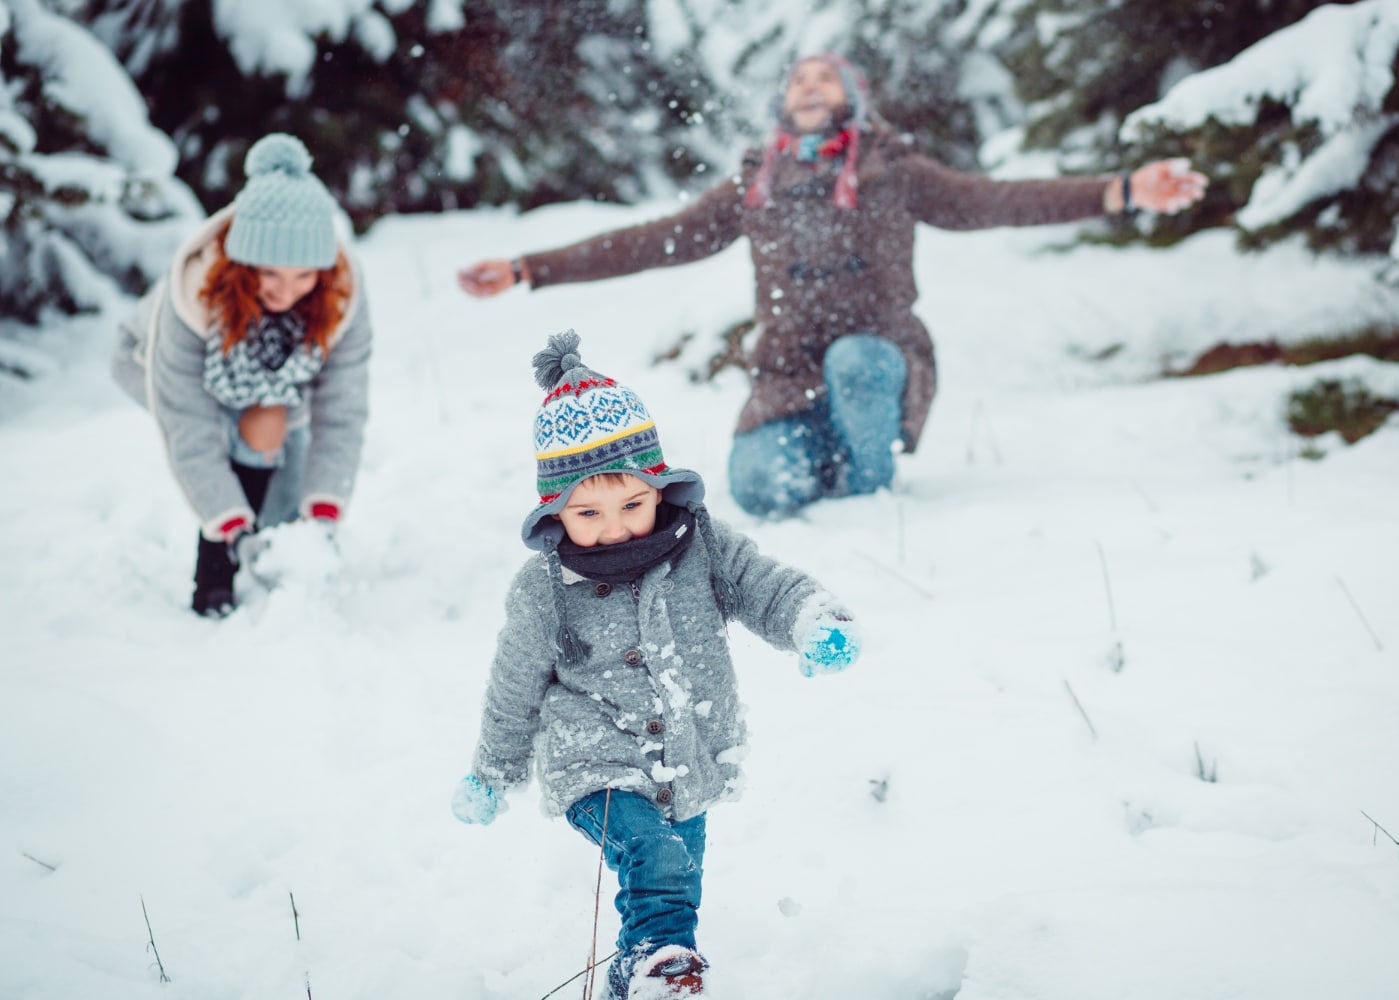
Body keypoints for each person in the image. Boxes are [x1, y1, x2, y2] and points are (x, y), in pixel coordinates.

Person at [458, 52, 1208, 517]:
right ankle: (832, 455)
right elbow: (654, 241)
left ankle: (868, 496)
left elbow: (998, 201)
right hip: (787, 375)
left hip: (877, 359)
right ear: (784, 103)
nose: (810, 85)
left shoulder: (894, 171)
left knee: (858, 362)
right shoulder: (757, 183)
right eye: (799, 78)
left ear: (851, 97)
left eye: (827, 77)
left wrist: (1121, 190)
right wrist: (532, 269)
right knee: (756, 490)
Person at [451, 330, 860, 1000]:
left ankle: (643, 974)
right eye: (588, 512)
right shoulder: (544, 588)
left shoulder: (699, 546)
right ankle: (660, 965)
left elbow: (764, 586)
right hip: (592, 758)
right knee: (655, 856)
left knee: (675, 882)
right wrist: (492, 772)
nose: (614, 528)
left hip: (691, 750)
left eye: (631, 505)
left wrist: (812, 621)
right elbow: (515, 685)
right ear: (554, 510)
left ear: (659, 488)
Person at [112, 133, 373, 617]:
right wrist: (226, 518)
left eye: (303, 276)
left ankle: (260, 521)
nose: (287, 292)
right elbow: (188, 422)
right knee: (257, 433)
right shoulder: (194, 292)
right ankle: (214, 573)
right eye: (270, 275)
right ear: (242, 262)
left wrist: (326, 505)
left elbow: (343, 408)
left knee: (285, 519)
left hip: (270, 382)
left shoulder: (342, 296)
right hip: (151, 365)